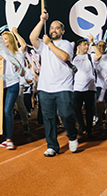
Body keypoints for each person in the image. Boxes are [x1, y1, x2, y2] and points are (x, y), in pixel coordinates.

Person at [29, 9, 78, 157]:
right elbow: (32, 37)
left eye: (57, 28)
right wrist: (42, 21)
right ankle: (52, 146)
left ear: (62, 31)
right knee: (48, 118)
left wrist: (49, 44)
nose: (53, 30)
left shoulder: (66, 43)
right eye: (51, 28)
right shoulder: (43, 45)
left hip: (63, 86)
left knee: (66, 114)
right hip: (45, 87)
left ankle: (72, 136)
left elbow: (64, 57)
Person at [0, 30, 24, 150]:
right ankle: (5, 136)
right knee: (1, 112)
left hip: (13, 85)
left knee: (8, 110)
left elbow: (22, 73)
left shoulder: (17, 54)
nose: (3, 41)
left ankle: (9, 139)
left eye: (6, 39)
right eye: (2, 39)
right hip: (0, 86)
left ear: (11, 40)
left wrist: (15, 63)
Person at [72, 35, 101, 138]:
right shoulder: (73, 58)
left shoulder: (90, 56)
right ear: (78, 47)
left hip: (90, 88)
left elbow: (98, 55)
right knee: (76, 109)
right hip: (76, 88)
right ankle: (81, 126)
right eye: (85, 44)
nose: (87, 46)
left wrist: (93, 43)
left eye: (87, 45)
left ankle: (89, 128)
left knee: (89, 110)